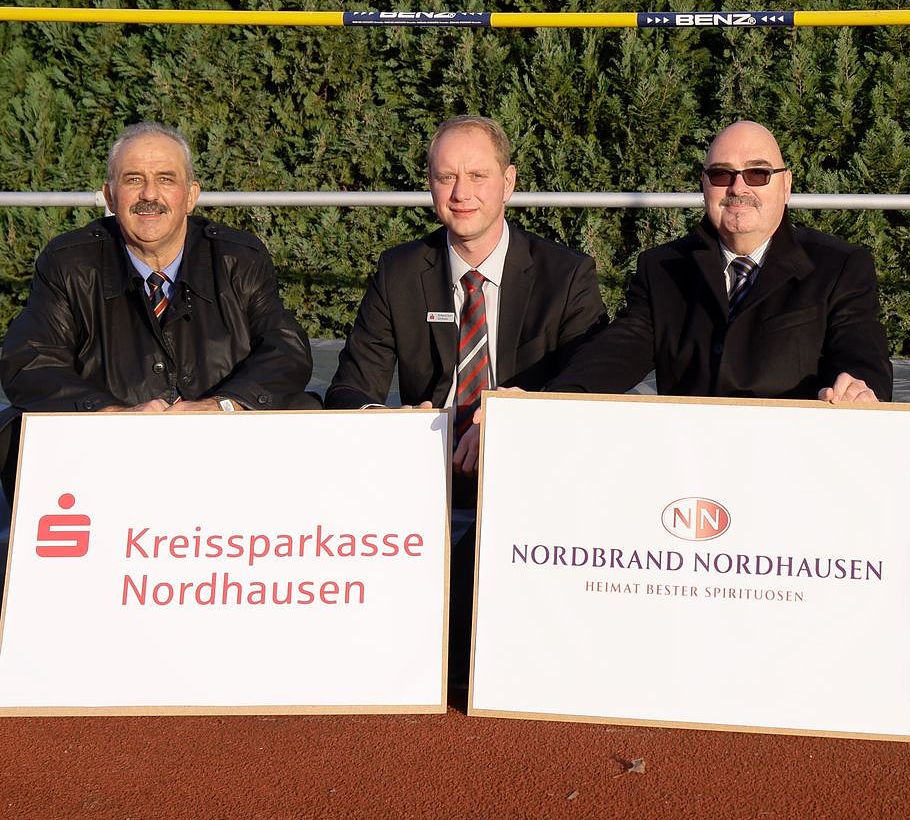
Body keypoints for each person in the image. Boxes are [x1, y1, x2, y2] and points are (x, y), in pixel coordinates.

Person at [324, 115, 608, 689]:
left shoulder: (566, 275)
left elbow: (591, 390)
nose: (461, 193)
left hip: (530, 484)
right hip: (424, 482)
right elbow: (350, 388)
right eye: (446, 177)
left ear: (508, 182)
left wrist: (511, 422)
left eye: (477, 176)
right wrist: (391, 428)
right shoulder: (399, 272)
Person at [0, 121, 318, 501]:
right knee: (15, 430)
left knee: (305, 409)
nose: (149, 194)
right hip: (105, 459)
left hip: (228, 451)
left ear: (191, 195)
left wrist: (223, 407)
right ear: (110, 195)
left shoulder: (239, 258)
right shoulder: (68, 263)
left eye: (166, 179)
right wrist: (112, 416)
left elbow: (286, 350)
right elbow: (30, 360)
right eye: (133, 179)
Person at [545, 119, 893, 402]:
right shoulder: (662, 270)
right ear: (704, 185)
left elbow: (859, 353)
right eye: (721, 175)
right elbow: (617, 352)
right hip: (689, 458)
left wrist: (858, 390)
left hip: (790, 454)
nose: (738, 188)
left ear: (786, 186)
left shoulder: (838, 267)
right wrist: (551, 400)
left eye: (757, 174)